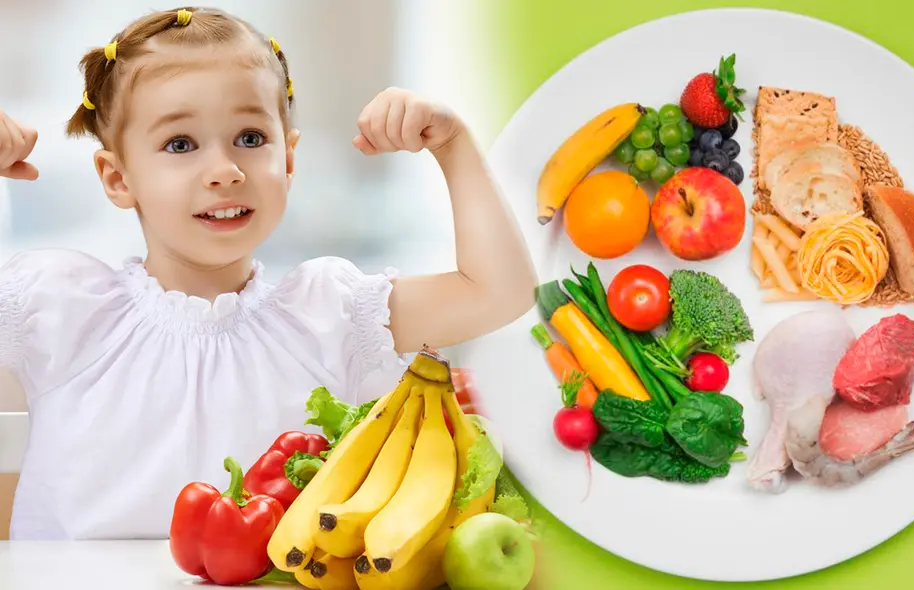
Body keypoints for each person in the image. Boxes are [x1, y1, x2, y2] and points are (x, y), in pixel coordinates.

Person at [0, 6, 536, 541]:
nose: (225, 171)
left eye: (251, 138)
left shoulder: (331, 315)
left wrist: (452, 144)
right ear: (117, 178)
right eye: (180, 145)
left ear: (289, 159)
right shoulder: (60, 305)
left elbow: (497, 292)